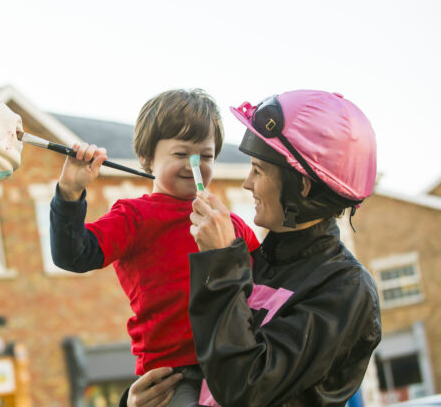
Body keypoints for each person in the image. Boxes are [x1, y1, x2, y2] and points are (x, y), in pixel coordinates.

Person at [125, 90, 382, 407]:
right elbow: (201, 369)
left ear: (301, 186)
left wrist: (220, 263)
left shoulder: (345, 290)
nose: (247, 183)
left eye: (258, 170)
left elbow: (244, 389)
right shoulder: (252, 260)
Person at [50, 89, 260, 407]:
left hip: (238, 359)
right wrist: (69, 191)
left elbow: (268, 284)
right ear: (147, 159)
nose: (194, 165)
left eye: (205, 156)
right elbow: (74, 255)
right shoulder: (134, 217)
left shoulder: (229, 223)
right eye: (181, 154)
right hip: (174, 375)